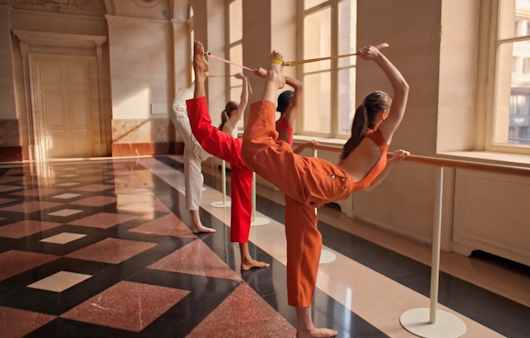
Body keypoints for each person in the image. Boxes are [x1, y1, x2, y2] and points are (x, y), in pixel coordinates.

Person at [240, 47, 410, 338]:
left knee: (304, 252)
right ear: (383, 113)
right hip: (325, 181)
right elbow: (403, 88)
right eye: (389, 109)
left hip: (318, 190)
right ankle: (274, 76)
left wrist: (391, 163)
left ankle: (305, 328)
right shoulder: (378, 137)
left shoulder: (364, 143)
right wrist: (378, 57)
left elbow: (368, 185)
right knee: (255, 147)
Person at [187, 42, 269, 271]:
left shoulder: (233, 122)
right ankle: (199, 73)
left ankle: (244, 258)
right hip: (245, 152)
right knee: (201, 128)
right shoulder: (235, 121)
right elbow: (293, 89)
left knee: (243, 205)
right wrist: (273, 72)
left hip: (246, 156)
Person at [170, 81, 215, 233]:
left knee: (177, 110)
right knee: (193, 179)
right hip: (201, 146)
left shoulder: (232, 121)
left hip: (204, 145)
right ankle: (196, 224)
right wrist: (198, 80)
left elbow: (176, 108)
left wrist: (199, 80)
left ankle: (196, 223)